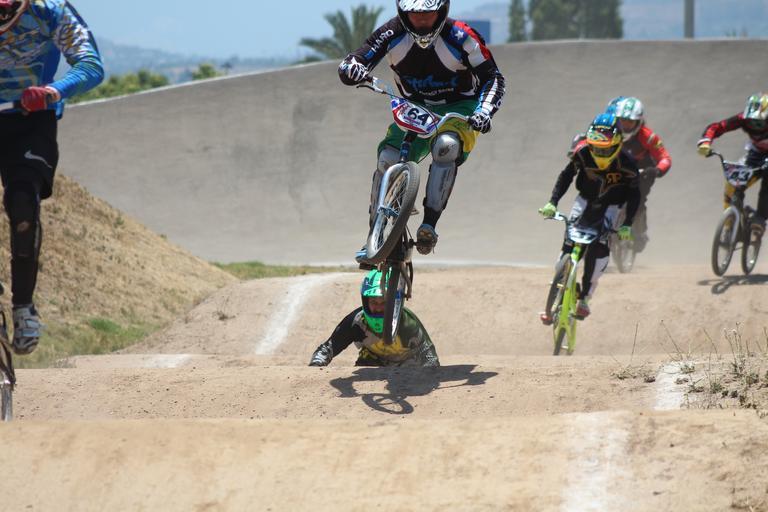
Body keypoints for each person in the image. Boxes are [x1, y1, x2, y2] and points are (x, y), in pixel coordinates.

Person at [338, 0, 505, 256]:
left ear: (442, 10)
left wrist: (485, 111)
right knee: (388, 158)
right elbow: (357, 59)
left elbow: (493, 77)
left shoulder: (462, 36)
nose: (423, 20)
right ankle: (374, 234)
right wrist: (352, 68)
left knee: (446, 147)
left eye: (429, 13)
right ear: (403, 13)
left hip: (459, 106)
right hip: (414, 105)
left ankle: (429, 225)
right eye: (415, 14)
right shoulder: (391, 32)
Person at [0, 0, 104, 354]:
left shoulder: (51, 10)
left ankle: (23, 306)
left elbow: (91, 65)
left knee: (22, 204)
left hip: (32, 117)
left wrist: (53, 91)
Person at [539, 113, 640, 320]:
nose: (599, 153)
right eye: (595, 148)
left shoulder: (628, 163)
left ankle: (585, 297)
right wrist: (552, 202)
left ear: (617, 144)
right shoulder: (582, 153)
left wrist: (627, 223)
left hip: (612, 207)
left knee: (598, 248)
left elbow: (634, 194)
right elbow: (567, 175)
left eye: (605, 149)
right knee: (569, 242)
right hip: (584, 201)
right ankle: (557, 289)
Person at [569, 97, 671, 252]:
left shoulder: (648, 137)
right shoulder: (608, 129)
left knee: (638, 198)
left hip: (642, 171)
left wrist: (657, 170)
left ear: (639, 122)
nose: (625, 125)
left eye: (630, 122)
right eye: (622, 120)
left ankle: (640, 232)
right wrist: (576, 150)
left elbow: (665, 157)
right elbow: (587, 139)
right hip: (615, 166)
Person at [309, 269, 439, 367]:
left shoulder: (407, 322)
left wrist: (427, 376)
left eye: (384, 302)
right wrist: (315, 367)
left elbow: (429, 354)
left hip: (406, 368)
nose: (378, 307)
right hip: (371, 363)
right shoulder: (357, 321)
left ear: (394, 302)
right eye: (373, 302)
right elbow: (328, 348)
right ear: (365, 302)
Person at [697, 92, 768, 233]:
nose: (754, 126)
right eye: (751, 121)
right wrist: (705, 142)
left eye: (759, 123)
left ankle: (760, 218)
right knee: (732, 185)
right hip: (756, 154)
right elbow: (717, 127)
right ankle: (730, 226)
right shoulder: (742, 119)